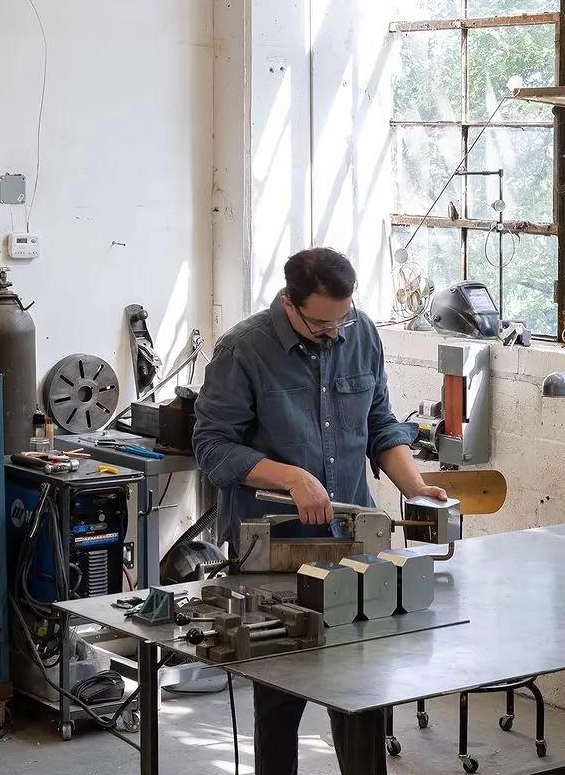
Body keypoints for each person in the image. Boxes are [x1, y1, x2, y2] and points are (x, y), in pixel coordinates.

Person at [193, 247, 446, 775]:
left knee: (361, 690)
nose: (335, 332)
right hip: (275, 550)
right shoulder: (244, 349)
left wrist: (417, 488)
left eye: (343, 318)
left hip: (353, 543)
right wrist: (291, 477)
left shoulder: (361, 334)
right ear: (289, 303)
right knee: (282, 698)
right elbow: (213, 447)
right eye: (321, 322)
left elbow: (380, 423)